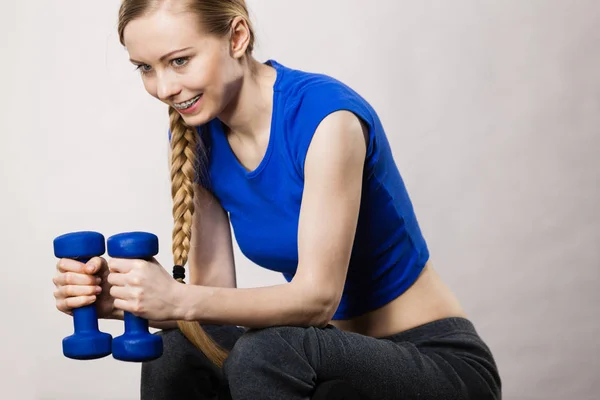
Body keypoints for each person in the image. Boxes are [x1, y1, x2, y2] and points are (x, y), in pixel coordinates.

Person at [52, 0, 502, 399]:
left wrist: (176, 300)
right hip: (325, 364)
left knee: (269, 351)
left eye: (180, 60)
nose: (165, 88)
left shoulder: (327, 118)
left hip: (432, 363)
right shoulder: (199, 132)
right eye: (146, 68)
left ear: (237, 36)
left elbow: (316, 299)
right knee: (178, 349)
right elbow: (212, 301)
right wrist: (125, 296)